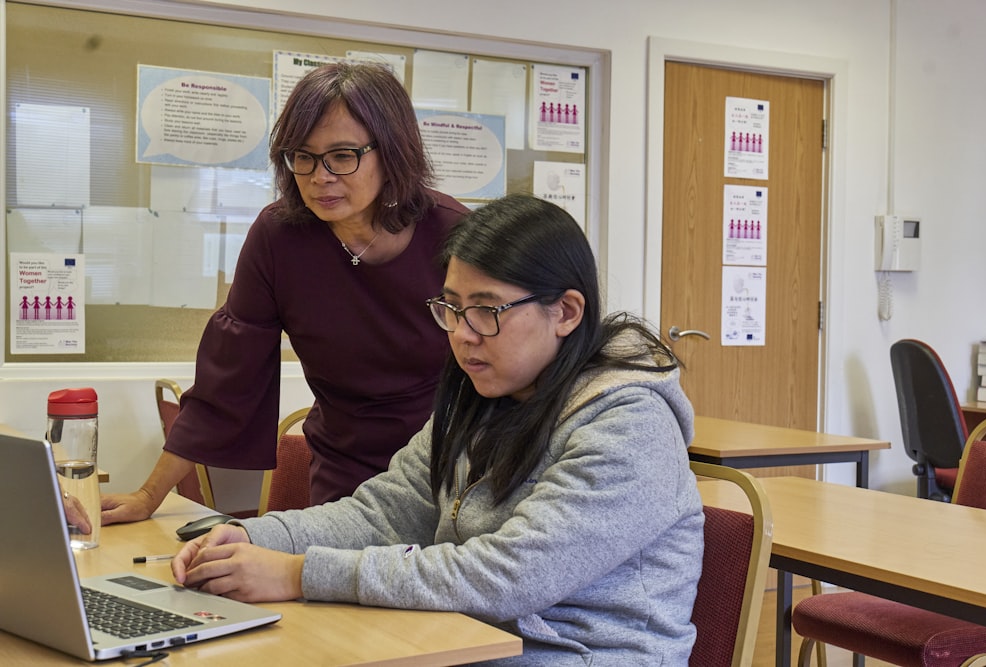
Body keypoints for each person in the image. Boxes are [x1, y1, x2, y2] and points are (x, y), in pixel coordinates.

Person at [172, 193, 705, 665]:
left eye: (487, 311)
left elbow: (507, 576)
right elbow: (384, 512)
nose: (463, 335)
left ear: (565, 311)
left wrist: (295, 574)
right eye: (450, 308)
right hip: (459, 641)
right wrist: (248, 538)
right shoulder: (481, 396)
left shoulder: (629, 423)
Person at [102, 62, 467, 525]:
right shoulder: (280, 237)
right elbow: (227, 380)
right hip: (345, 469)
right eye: (303, 156)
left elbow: (506, 369)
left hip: (451, 465)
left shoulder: (455, 236)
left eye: (342, 155)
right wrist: (147, 496)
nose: (320, 177)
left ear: (392, 151)